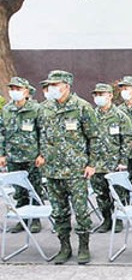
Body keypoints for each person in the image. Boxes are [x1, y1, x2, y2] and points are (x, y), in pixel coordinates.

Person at [39, 70, 99, 264]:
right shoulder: (45, 108)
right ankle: (64, 246)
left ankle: (84, 246)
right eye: (50, 85)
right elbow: (42, 134)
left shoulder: (82, 107)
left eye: (56, 85)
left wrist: (92, 163)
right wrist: (42, 154)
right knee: (58, 211)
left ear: (66, 86)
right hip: (53, 170)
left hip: (76, 170)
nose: (52, 88)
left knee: (81, 211)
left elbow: (94, 137)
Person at [0, 77, 45, 233]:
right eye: (12, 89)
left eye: (18, 89)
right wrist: (2, 154)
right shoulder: (6, 110)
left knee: (34, 188)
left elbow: (44, 133)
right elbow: (2, 133)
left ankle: (36, 219)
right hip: (13, 157)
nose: (14, 92)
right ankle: (23, 219)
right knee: (19, 191)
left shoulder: (36, 109)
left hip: (32, 157)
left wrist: (42, 154)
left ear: (26, 91)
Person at [89, 83, 132, 234]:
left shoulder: (121, 116)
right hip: (96, 163)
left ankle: (118, 219)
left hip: (114, 163)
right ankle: (106, 219)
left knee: (117, 193)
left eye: (101, 94)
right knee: (101, 194)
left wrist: (123, 161)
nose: (98, 97)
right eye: (96, 95)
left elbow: (127, 141)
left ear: (110, 95)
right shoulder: (91, 116)